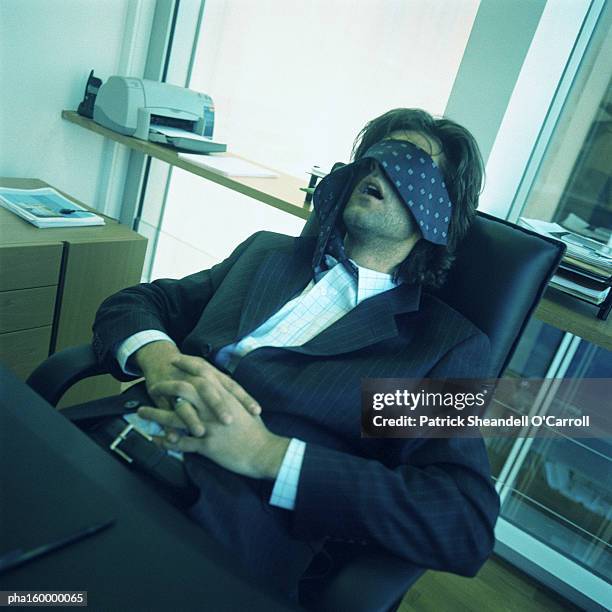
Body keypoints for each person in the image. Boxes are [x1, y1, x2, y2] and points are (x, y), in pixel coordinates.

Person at [92, 108, 500, 598]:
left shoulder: (439, 348)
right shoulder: (266, 255)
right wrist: (158, 359)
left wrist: (267, 454)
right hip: (108, 443)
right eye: (371, 158)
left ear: (441, 210)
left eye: (407, 163)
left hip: (209, 526)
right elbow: (136, 303)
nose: (376, 169)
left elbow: (462, 521)